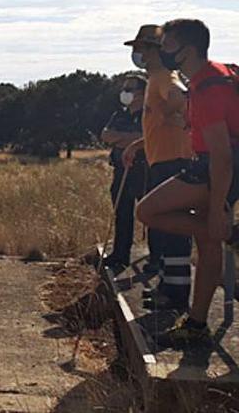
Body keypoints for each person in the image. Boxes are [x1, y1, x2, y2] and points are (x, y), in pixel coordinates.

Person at [137, 19, 239, 348]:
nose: (161, 51)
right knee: (208, 245)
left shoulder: (206, 88)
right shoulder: (216, 74)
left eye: (167, 46)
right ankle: (197, 325)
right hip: (223, 166)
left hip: (216, 168)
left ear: (188, 51)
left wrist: (215, 210)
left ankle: (229, 231)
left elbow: (222, 155)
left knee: (147, 211)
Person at [121, 25, 193, 310]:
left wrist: (173, 114)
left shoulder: (165, 78)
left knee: (173, 228)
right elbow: (157, 125)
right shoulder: (154, 80)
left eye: (142, 48)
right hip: (160, 160)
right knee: (163, 228)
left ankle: (176, 293)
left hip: (173, 161)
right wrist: (137, 145)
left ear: (156, 50)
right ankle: (167, 285)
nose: (137, 54)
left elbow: (182, 99)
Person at [100, 76, 147, 273]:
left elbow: (143, 137)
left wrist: (121, 139)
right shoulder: (119, 114)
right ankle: (120, 255)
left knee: (148, 215)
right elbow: (105, 135)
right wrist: (128, 139)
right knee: (122, 213)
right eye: (124, 88)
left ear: (142, 93)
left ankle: (156, 258)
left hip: (144, 169)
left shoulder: (148, 114)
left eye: (130, 89)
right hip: (120, 170)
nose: (125, 92)